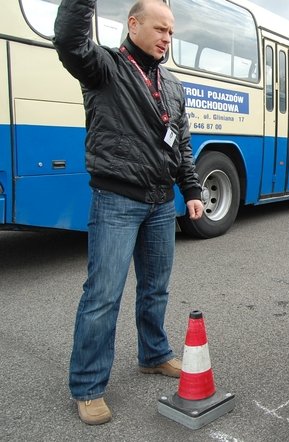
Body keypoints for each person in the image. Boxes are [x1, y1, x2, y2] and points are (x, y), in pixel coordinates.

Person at [53, 0, 204, 425]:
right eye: (159, 29)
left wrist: (190, 189)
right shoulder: (104, 67)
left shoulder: (172, 85)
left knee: (156, 289)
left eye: (171, 32)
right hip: (116, 200)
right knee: (103, 296)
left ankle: (153, 355)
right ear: (133, 24)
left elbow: (183, 144)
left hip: (160, 203)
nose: (166, 39)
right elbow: (68, 40)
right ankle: (87, 386)